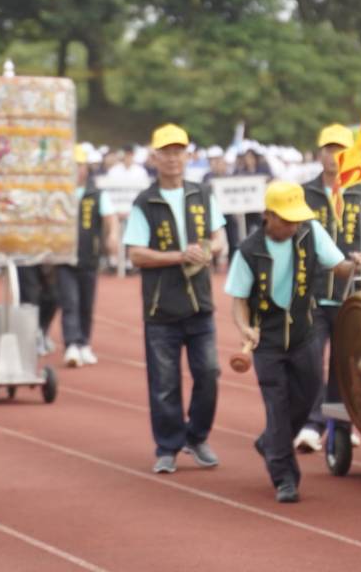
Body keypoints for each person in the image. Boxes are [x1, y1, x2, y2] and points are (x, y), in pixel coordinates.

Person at [225, 181, 359, 503]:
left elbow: (338, 268)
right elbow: (239, 300)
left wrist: (355, 263)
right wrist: (245, 328)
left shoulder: (311, 233)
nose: (293, 225)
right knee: (278, 406)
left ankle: (271, 442)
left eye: (296, 219)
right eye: (286, 220)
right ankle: (285, 478)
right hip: (268, 342)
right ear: (268, 215)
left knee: (308, 396)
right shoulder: (248, 251)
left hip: (304, 333)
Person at [123, 124, 226, 474]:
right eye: (165, 152)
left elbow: (220, 237)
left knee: (209, 372)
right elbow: (136, 254)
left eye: (178, 151)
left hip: (200, 304)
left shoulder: (202, 194)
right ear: (154, 157)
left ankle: (196, 437)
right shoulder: (144, 202)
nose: (172, 158)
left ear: (188, 155)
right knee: (164, 383)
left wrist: (209, 250)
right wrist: (179, 256)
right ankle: (167, 445)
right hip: (160, 307)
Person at [298, 124, 361, 451]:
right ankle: (312, 421)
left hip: (351, 293)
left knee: (345, 362)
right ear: (319, 153)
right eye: (328, 149)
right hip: (310, 292)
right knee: (310, 361)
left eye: (341, 149)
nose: (334, 156)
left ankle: (338, 422)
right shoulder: (303, 195)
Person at [59, 145, 119, 368]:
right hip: (64, 257)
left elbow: (110, 218)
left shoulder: (96, 194)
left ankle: (84, 343)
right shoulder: (59, 194)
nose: (75, 170)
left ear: (86, 168)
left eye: (79, 166)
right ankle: (71, 344)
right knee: (69, 301)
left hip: (89, 256)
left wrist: (111, 236)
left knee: (86, 302)